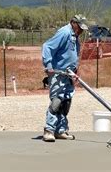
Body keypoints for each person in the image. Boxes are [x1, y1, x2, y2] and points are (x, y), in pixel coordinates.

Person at [41, 14, 88, 142]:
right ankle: (49, 130)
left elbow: (71, 55)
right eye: (79, 27)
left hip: (68, 74)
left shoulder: (75, 36)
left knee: (66, 102)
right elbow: (47, 47)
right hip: (58, 73)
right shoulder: (64, 33)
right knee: (56, 101)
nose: (81, 30)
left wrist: (75, 69)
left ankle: (60, 130)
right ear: (73, 23)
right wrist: (49, 65)